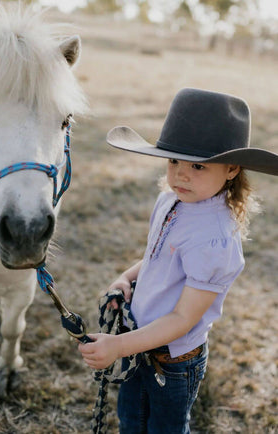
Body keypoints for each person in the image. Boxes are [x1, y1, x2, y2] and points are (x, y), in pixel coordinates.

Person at [78, 88, 278, 433]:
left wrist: (118, 346)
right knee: (131, 420)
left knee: (165, 429)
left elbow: (184, 318)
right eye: (173, 161)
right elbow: (154, 257)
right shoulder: (170, 201)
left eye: (198, 166)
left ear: (231, 169)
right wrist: (126, 279)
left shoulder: (215, 238)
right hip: (139, 339)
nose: (181, 175)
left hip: (173, 361)